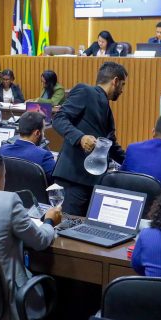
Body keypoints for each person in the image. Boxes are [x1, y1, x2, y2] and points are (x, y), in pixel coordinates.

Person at [51, 62, 127, 216]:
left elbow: (111, 145)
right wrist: (80, 137)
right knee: (67, 227)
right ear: (115, 81)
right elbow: (58, 118)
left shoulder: (106, 108)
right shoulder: (85, 91)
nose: (122, 90)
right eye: (122, 85)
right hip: (73, 179)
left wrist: (134, 162)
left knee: (82, 228)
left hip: (92, 182)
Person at [0, 111, 55, 181]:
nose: (43, 135)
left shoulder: (3, 150)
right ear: (37, 133)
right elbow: (56, 181)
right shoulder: (44, 156)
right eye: (43, 131)